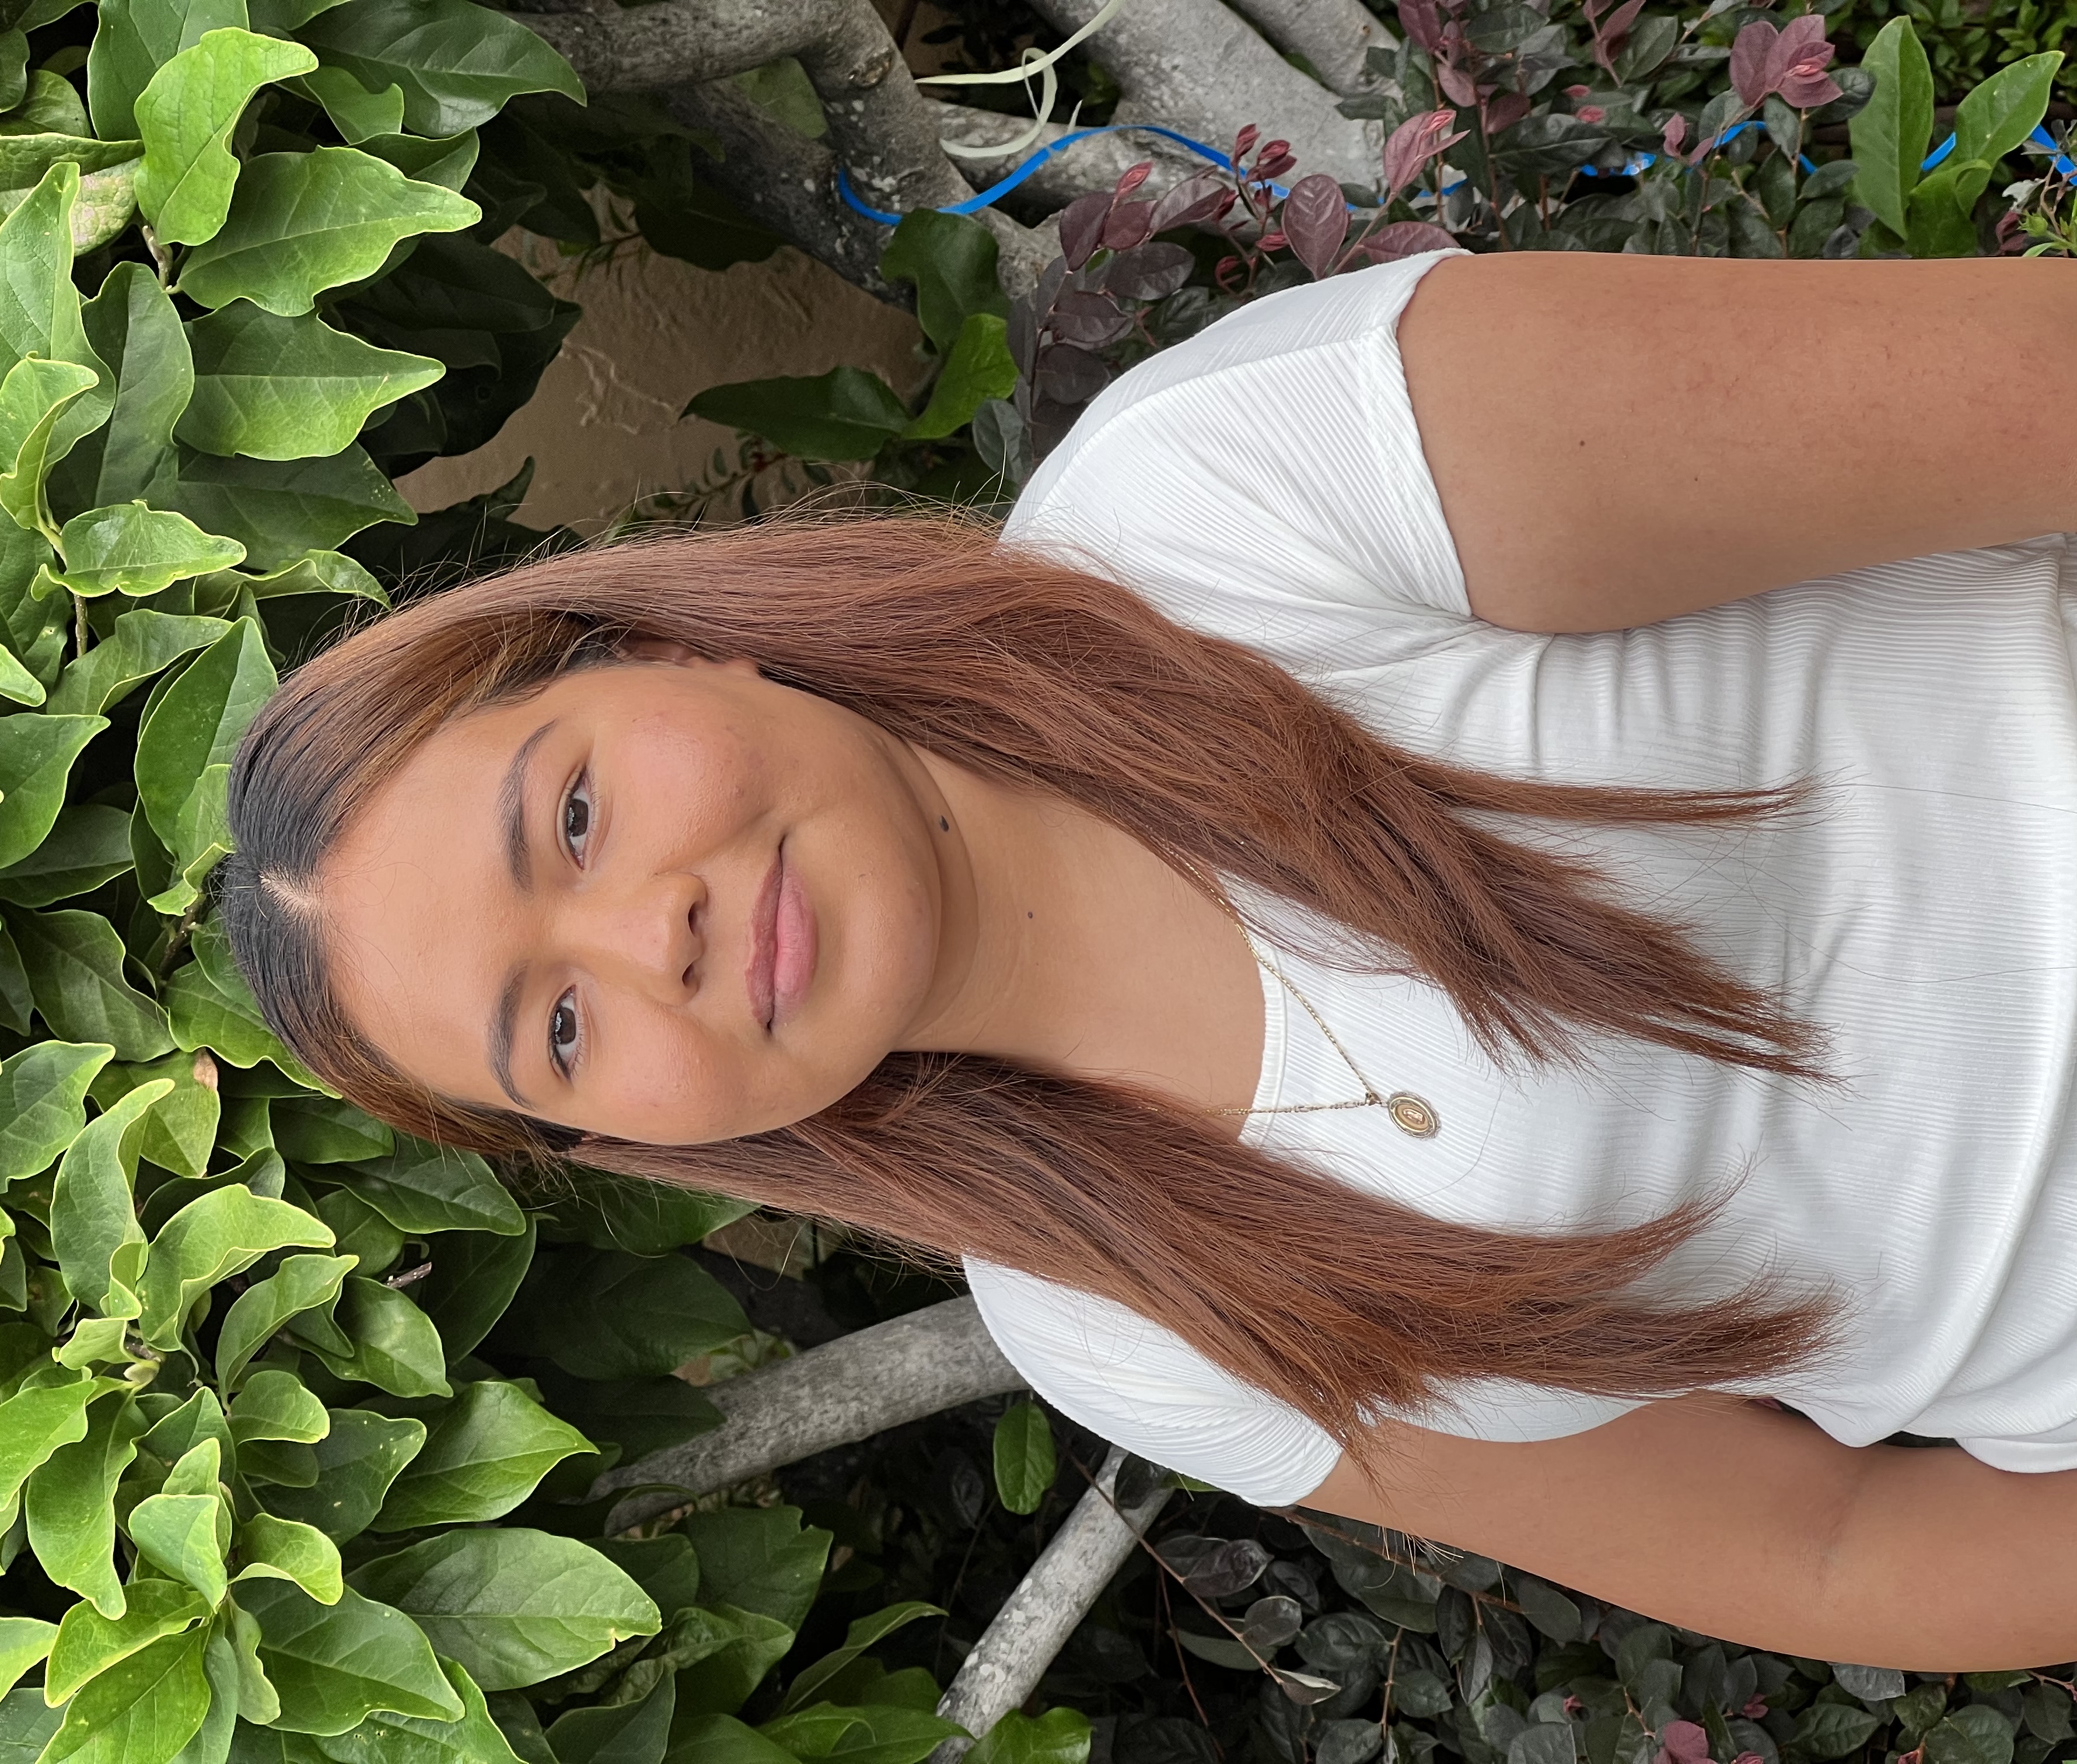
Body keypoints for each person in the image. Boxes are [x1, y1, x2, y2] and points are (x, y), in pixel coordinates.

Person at [224, 244, 2077, 1668]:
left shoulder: (1222, 502)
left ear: (666, 649)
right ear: (630, 1146)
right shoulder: (1117, 1327)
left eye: (569, 817)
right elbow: (1826, 1551)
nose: (652, 933)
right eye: (556, 1026)